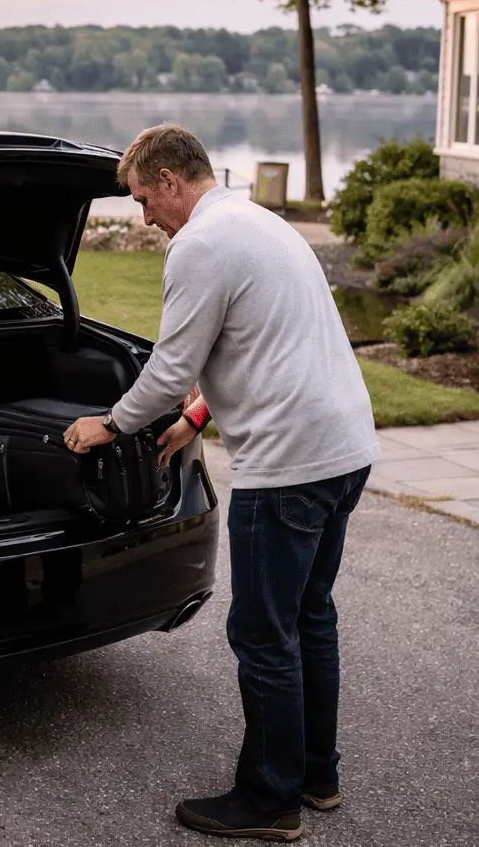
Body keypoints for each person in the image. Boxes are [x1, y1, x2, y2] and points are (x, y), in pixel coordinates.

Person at [62, 124, 379, 843]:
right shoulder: (256, 222)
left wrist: (108, 425)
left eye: (145, 199)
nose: (145, 216)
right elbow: (266, 337)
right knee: (309, 614)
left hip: (291, 461)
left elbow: (171, 369)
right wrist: (199, 417)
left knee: (263, 631)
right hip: (344, 446)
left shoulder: (201, 243)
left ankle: (269, 802)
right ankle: (315, 775)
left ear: (171, 181)